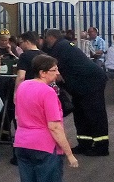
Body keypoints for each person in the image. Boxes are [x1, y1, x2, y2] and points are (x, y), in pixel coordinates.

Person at [13, 54, 79, 182]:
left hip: (22, 143)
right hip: (44, 147)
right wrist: (69, 154)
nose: (57, 73)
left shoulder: (23, 86)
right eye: (54, 70)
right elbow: (55, 126)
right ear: (42, 72)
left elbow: (18, 114)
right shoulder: (48, 92)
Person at [42, 28, 110, 156]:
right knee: (80, 114)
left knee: (95, 114)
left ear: (51, 37)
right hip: (82, 84)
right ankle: (84, 143)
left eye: (46, 38)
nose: (45, 41)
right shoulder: (64, 45)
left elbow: (51, 68)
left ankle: (101, 147)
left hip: (90, 82)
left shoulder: (59, 47)